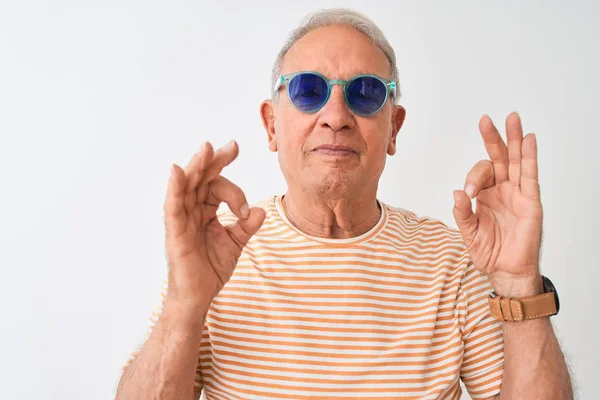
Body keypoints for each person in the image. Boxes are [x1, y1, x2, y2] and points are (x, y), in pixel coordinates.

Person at [116, 8, 573, 400]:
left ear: (394, 128)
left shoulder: (451, 261)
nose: (335, 117)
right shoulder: (217, 252)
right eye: (309, 90)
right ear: (271, 125)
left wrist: (518, 284)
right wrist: (185, 301)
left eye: (366, 93)